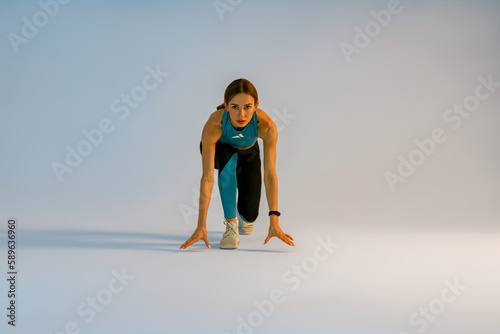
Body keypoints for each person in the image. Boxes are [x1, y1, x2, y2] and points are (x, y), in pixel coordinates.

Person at [180, 78, 294, 249]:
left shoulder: (267, 126)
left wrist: (274, 221)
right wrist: (201, 225)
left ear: (256, 105)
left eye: (247, 107)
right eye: (235, 107)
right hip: (222, 151)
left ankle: (242, 218)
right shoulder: (215, 123)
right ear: (226, 105)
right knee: (229, 157)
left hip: (248, 153)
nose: (241, 115)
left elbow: (270, 175)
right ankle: (231, 225)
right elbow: (208, 178)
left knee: (250, 216)